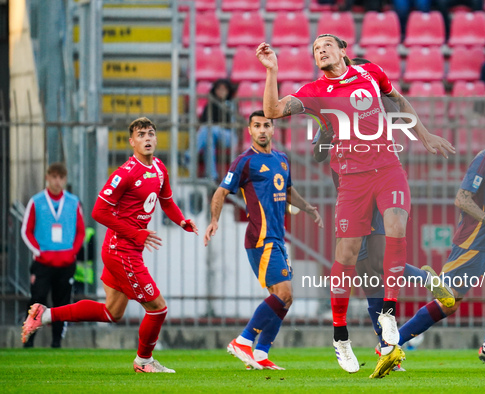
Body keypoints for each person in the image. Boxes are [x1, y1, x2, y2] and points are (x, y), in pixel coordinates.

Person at [256, 35, 456, 377]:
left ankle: (388, 342)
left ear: (343, 51)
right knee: (364, 267)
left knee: (375, 262)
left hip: (385, 176)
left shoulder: (370, 74)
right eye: (315, 49)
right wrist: (273, 71)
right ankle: (379, 335)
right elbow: (279, 116)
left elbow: (400, 99)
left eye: (326, 46)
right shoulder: (318, 97)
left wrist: (423, 133)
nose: (320, 51)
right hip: (352, 189)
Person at [22, 117, 199, 373]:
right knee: (158, 308)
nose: (147, 138)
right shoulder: (125, 173)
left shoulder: (160, 168)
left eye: (151, 133)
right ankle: (144, 361)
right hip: (120, 250)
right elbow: (99, 212)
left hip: (128, 249)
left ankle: (45, 315)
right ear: (132, 142)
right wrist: (136, 234)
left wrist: (182, 221)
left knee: (112, 312)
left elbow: (167, 201)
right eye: (141, 135)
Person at [313, 57, 454, 373]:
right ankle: (389, 350)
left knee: (369, 267)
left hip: (367, 193)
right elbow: (318, 153)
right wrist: (324, 137)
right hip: (358, 194)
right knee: (370, 271)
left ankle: (392, 341)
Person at [396, 111, 485, 368]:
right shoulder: (484, 160)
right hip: (472, 245)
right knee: (449, 302)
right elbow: (462, 199)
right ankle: (390, 344)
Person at [204, 110, 324, 370]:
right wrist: (214, 220)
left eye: (266, 125)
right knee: (284, 293)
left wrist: (309, 208)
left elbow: (288, 190)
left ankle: (260, 354)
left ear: (273, 130)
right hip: (260, 238)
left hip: (277, 237)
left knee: (284, 299)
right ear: (249, 130)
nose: (261, 130)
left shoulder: (282, 159)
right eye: (256, 125)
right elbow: (221, 192)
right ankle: (243, 340)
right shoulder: (244, 162)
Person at [20, 162, 86, 348]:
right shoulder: (37, 201)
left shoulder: (73, 202)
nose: (57, 181)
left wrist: (73, 251)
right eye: (54, 177)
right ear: (47, 177)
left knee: (62, 304)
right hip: (43, 262)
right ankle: (29, 340)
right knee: (37, 300)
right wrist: (38, 251)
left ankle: (57, 342)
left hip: (66, 262)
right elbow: (26, 230)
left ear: (65, 180)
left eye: (61, 178)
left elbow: (81, 230)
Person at [197, 78, 238, 181]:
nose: (221, 92)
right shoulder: (210, 105)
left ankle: (189, 155)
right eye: (219, 89)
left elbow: (231, 124)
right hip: (213, 135)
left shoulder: (232, 105)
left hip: (229, 136)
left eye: (224, 89)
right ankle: (212, 176)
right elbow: (203, 120)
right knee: (208, 141)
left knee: (207, 129)